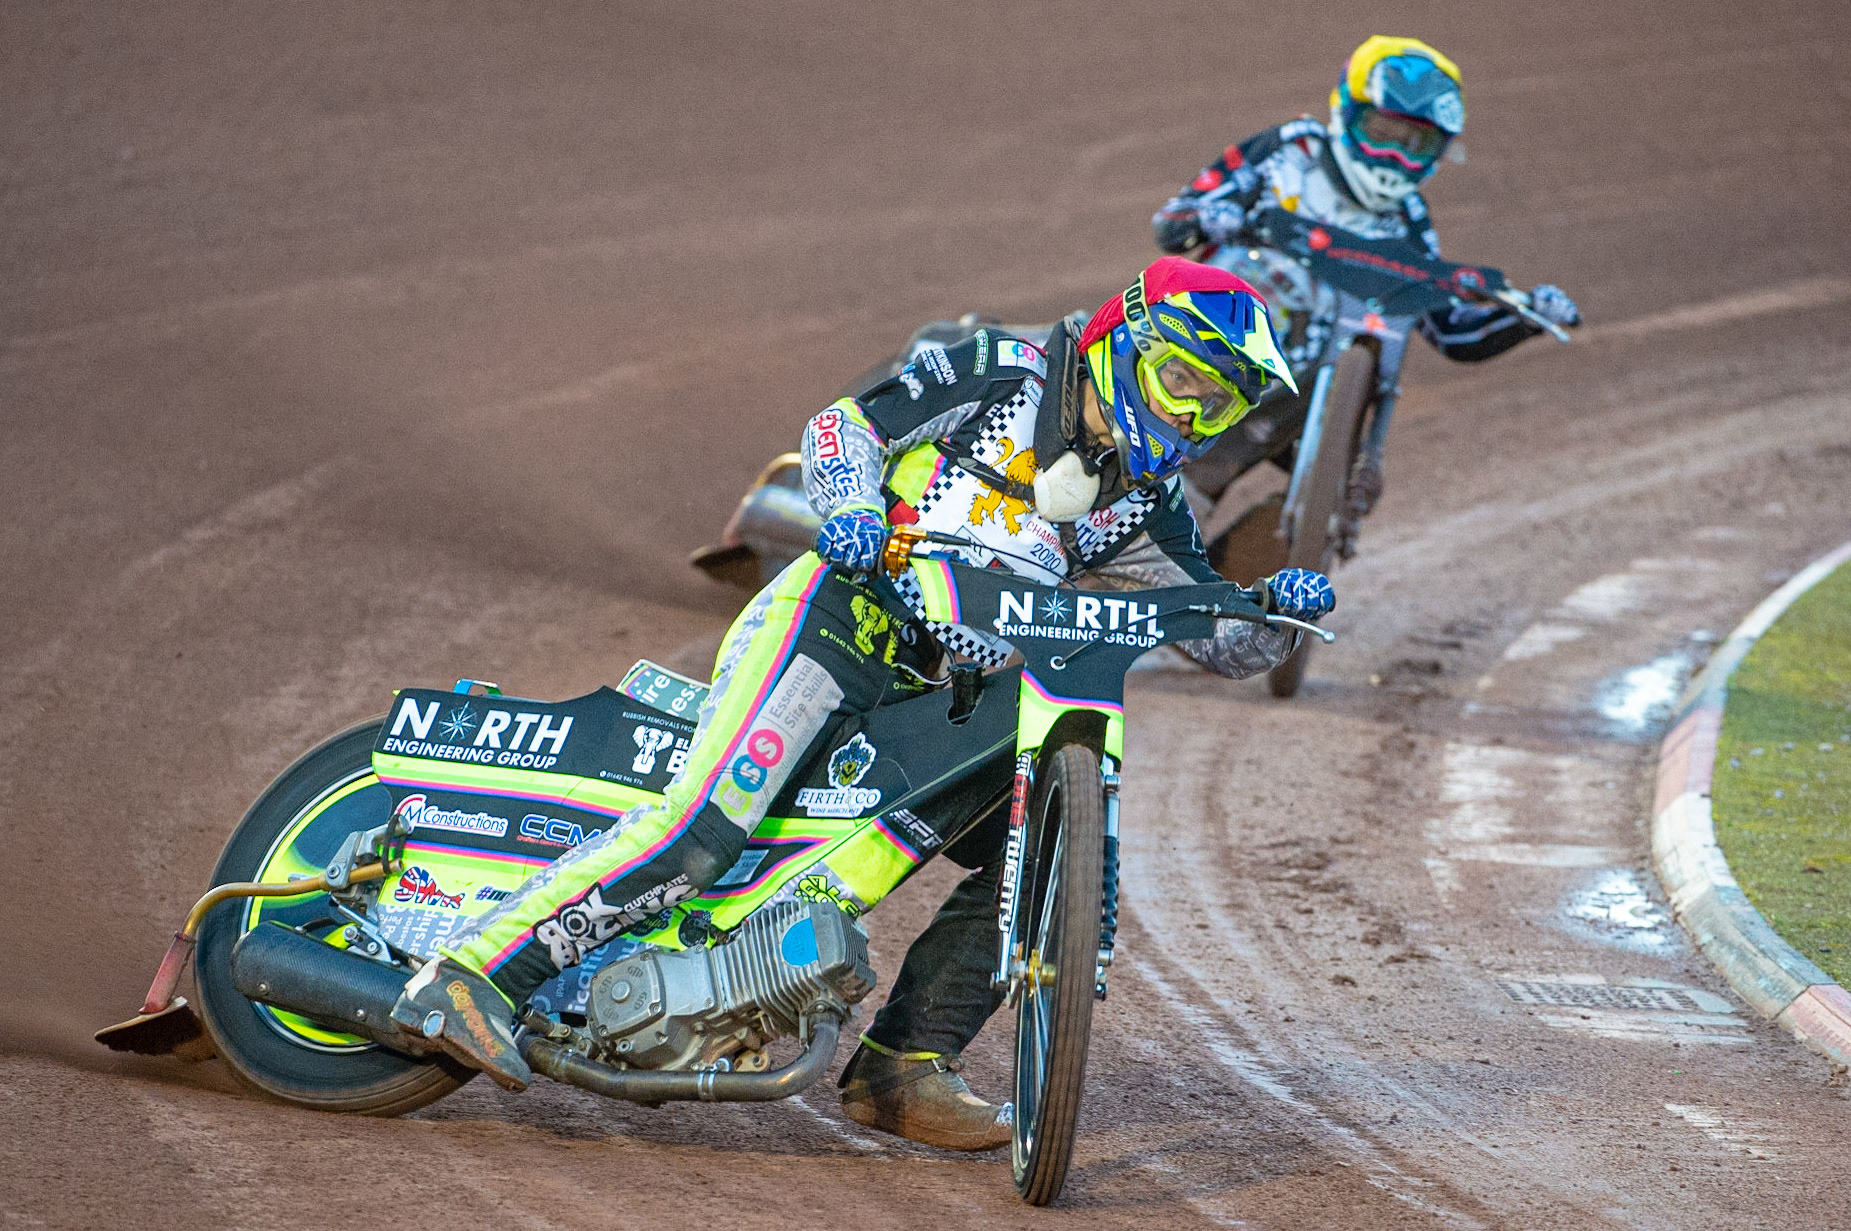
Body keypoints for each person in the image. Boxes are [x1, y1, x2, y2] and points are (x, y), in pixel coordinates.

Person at [387, 258, 1338, 1152]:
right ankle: (470, 973)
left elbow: (1221, 640)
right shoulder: (1008, 369)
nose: (1193, 416)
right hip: (837, 620)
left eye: (1218, 403)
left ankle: (901, 1066)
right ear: (1119, 344)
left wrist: (1277, 614)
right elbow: (847, 424)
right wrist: (848, 505)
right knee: (704, 826)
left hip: (943, 690)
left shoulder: (1144, 501)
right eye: (1184, 381)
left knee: (1053, 855)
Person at [1149, 35, 1581, 513]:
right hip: (1191, 333)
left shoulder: (1408, 220)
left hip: (1291, 392)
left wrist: (1526, 317)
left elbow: (1445, 328)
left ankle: (1279, 516)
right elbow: (1173, 219)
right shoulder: (1287, 150)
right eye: (1382, 132)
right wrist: (1213, 216)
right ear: (1347, 112)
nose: (1395, 158)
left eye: (1416, 144)